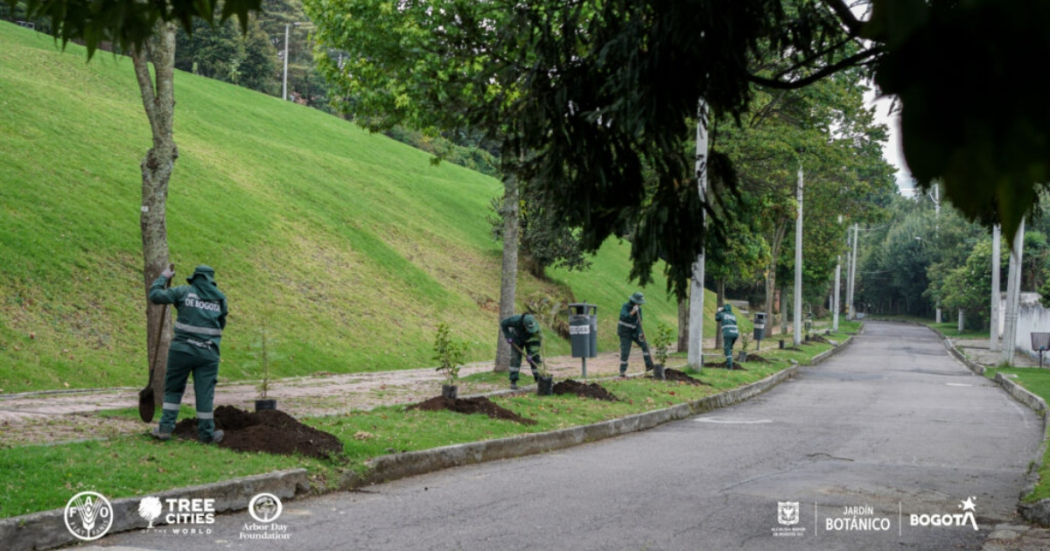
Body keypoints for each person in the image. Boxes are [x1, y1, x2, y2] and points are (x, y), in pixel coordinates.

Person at [148, 265, 228, 443]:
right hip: (208, 354)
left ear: (195, 277)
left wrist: (164, 277)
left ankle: (165, 429)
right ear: (211, 280)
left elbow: (155, 296)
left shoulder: (183, 291)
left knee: (173, 389)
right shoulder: (220, 298)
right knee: (205, 393)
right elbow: (221, 324)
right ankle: (206, 435)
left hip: (181, 351)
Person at [500, 313, 543, 390]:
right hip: (516, 339)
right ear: (523, 324)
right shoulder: (515, 320)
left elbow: (536, 344)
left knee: (535, 358)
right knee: (515, 358)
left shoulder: (536, 329)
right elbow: (503, 324)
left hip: (530, 340)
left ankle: (539, 379)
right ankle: (513, 381)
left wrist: (531, 354)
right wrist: (508, 336)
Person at [617, 292, 655, 377]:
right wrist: (632, 312)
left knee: (646, 345)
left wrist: (640, 333)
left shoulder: (639, 310)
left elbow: (639, 322)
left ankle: (649, 366)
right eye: (639, 303)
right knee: (625, 351)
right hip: (625, 333)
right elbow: (623, 317)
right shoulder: (625, 307)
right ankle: (622, 371)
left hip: (635, 332)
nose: (640, 305)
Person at [715, 304, 740, 369]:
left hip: (728, 333)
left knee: (727, 349)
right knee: (730, 348)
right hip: (735, 333)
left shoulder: (722, 314)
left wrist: (718, 311)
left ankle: (729, 366)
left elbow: (717, 318)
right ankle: (730, 360)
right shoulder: (733, 315)